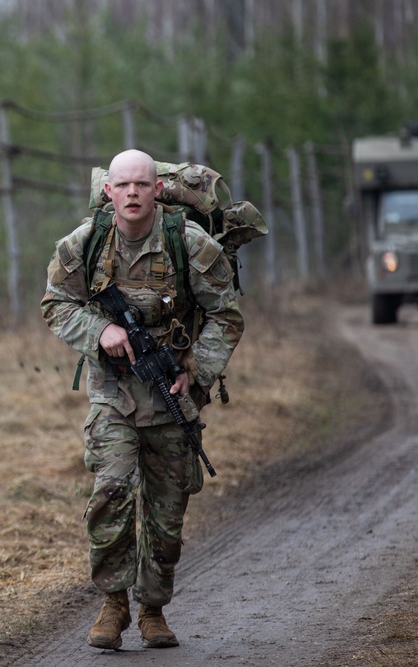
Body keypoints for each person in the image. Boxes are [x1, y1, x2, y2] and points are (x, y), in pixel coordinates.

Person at [41, 149, 244, 650]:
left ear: (157, 190)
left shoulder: (189, 245)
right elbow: (55, 304)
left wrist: (196, 371)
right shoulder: (84, 244)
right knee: (110, 493)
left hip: (171, 390)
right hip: (112, 391)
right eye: (123, 185)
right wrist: (101, 329)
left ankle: (152, 609)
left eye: (142, 184)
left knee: (166, 511)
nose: (132, 193)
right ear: (108, 191)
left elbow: (227, 315)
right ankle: (113, 604)